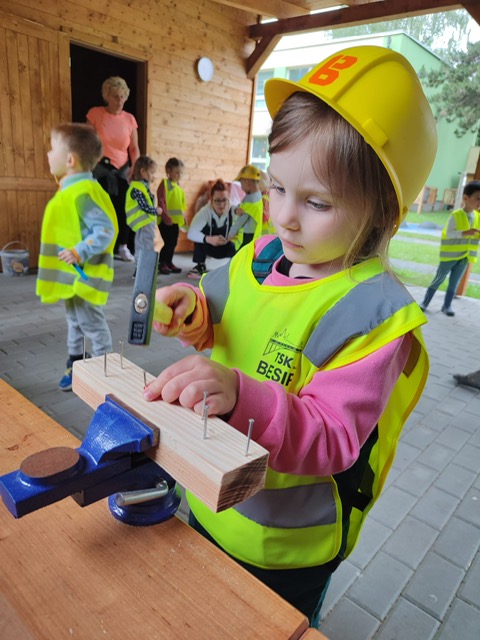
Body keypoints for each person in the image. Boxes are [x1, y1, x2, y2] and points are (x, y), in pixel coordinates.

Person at [143, 46, 437, 627]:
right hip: (205, 494)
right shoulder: (263, 255)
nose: (284, 217)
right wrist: (190, 312)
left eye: (316, 202)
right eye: (276, 188)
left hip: (280, 549)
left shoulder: (372, 314)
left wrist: (238, 393)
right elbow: (223, 318)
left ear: (382, 212)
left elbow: (333, 437)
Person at [36, 123, 118, 391]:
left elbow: (104, 230)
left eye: (52, 149)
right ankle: (76, 364)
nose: (48, 154)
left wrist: (78, 251)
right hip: (74, 276)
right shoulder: (69, 190)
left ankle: (104, 370)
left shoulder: (82, 193)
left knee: (91, 323)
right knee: (75, 321)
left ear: (70, 160)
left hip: (85, 274)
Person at [87, 76, 140, 262]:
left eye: (123, 97)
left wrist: (137, 170)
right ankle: (101, 248)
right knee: (100, 210)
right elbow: (88, 143)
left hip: (123, 170)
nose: (120, 101)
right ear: (106, 96)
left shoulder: (129, 119)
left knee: (124, 210)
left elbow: (133, 148)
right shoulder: (95, 114)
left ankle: (123, 247)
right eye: (116, 97)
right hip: (100, 169)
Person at [419, 180, 480, 316]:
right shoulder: (456, 215)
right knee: (438, 280)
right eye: (478, 198)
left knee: (454, 283)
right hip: (449, 257)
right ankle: (425, 303)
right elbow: (448, 233)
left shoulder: (477, 216)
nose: (479, 202)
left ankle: (447, 306)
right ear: (466, 198)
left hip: (464, 257)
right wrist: (466, 233)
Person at [186, 179, 237, 278]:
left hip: (228, 246)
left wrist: (231, 238)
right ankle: (200, 265)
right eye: (217, 200)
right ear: (211, 199)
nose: (221, 205)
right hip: (209, 246)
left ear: (229, 199)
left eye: (224, 200)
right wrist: (208, 239)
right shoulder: (204, 212)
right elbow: (191, 233)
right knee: (199, 236)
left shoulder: (234, 210)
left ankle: (236, 266)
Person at [125, 155, 162, 269]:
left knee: (142, 245)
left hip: (145, 223)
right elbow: (144, 206)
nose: (153, 176)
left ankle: (141, 268)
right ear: (143, 171)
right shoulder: (137, 188)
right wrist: (156, 211)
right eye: (152, 173)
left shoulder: (142, 186)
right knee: (146, 246)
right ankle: (143, 269)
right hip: (144, 223)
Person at [157, 157, 187, 275]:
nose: (179, 175)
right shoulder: (164, 184)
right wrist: (165, 217)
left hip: (175, 221)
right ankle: (162, 263)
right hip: (165, 221)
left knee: (173, 243)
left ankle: (169, 262)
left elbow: (181, 206)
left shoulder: (178, 187)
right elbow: (161, 201)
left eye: (181, 173)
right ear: (169, 171)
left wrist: (184, 218)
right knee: (168, 242)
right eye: (177, 172)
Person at [228, 164, 264, 247]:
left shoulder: (250, 200)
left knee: (239, 257)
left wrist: (230, 234)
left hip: (248, 236)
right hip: (254, 234)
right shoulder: (258, 196)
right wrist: (236, 210)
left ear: (247, 182)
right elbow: (240, 206)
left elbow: (241, 220)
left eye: (241, 183)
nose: (241, 187)